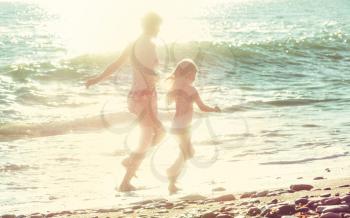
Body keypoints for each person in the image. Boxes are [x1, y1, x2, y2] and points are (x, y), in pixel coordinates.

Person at [85, 12, 165, 192]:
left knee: (154, 135)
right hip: (146, 96)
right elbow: (149, 75)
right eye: (158, 25)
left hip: (134, 96)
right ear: (152, 26)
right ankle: (125, 181)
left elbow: (115, 65)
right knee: (153, 136)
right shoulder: (150, 46)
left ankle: (130, 162)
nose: (159, 29)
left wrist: (96, 79)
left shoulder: (133, 44)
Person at [166, 59, 220, 194]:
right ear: (189, 73)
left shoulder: (175, 88)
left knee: (186, 152)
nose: (195, 77)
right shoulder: (191, 89)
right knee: (188, 152)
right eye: (195, 74)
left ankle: (172, 182)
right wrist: (214, 109)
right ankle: (171, 174)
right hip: (184, 127)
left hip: (175, 126)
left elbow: (169, 103)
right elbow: (202, 107)